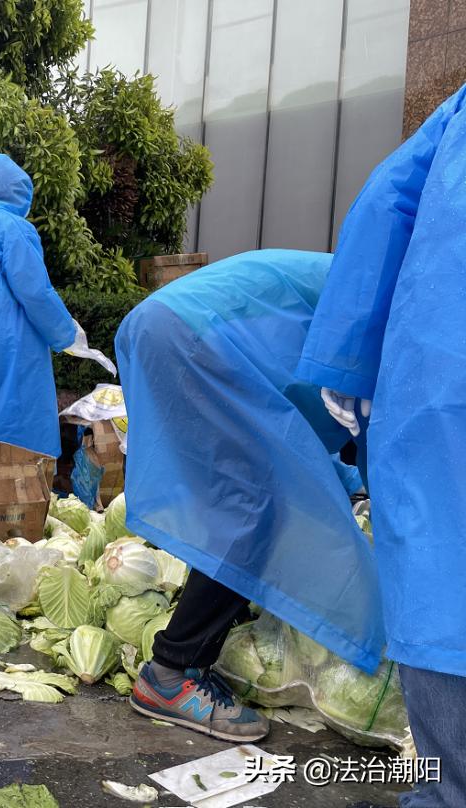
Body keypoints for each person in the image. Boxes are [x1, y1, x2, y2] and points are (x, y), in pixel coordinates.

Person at [115, 249, 381, 742]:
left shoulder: (383, 285)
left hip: (174, 328)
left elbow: (321, 435)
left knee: (243, 497)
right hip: (196, 340)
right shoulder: (402, 320)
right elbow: (377, 447)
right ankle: (171, 673)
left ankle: (222, 611)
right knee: (256, 506)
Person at [298, 83, 466, 808]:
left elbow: (383, 204)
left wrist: (345, 360)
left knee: (439, 567)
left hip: (440, 377)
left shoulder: (457, 115)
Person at [0, 152, 90, 458]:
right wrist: (66, 333)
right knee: (23, 412)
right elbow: (35, 291)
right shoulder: (14, 228)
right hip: (15, 340)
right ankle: (24, 485)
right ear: (20, 194)